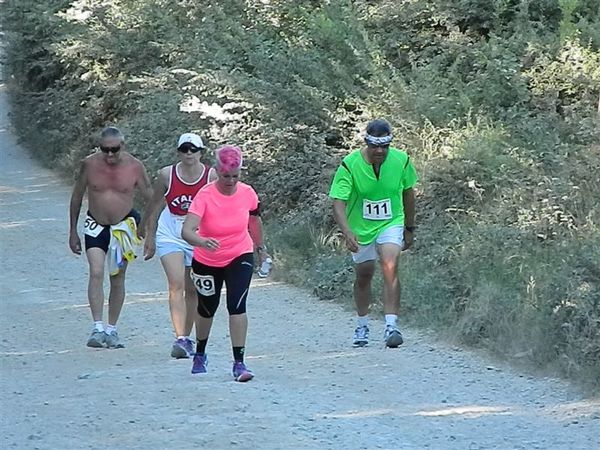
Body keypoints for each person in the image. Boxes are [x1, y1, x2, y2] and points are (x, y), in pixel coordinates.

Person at [181, 145, 270, 382]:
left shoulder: (248, 193)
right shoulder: (206, 195)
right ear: (217, 172)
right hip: (207, 258)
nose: (230, 181)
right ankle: (200, 352)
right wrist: (202, 240)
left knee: (237, 305)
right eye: (225, 176)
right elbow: (186, 231)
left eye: (235, 176)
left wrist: (261, 249)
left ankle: (239, 363)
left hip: (239, 253)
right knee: (207, 308)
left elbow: (254, 222)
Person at [329, 119, 418, 348]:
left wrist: (409, 227)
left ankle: (391, 326)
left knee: (390, 264)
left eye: (385, 146)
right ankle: (362, 323)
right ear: (366, 143)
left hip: (391, 221)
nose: (380, 151)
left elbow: (409, 194)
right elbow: (338, 201)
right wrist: (347, 231)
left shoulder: (402, 160)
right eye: (374, 146)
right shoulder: (349, 164)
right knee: (364, 274)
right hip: (361, 227)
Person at [69, 126, 152, 349]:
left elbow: (151, 198)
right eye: (104, 150)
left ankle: (112, 329)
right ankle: (97, 327)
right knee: (96, 272)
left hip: (123, 226)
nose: (109, 155)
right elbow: (77, 196)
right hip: (95, 224)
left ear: (122, 146)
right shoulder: (89, 164)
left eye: (114, 150)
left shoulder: (135, 166)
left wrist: (148, 229)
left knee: (117, 276)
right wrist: (72, 231)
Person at [142, 133, 216, 358]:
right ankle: (180, 338)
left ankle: (187, 336)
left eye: (193, 149)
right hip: (171, 229)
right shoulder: (167, 174)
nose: (189, 153)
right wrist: (148, 233)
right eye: (184, 149)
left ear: (202, 152)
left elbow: (219, 206)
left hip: (197, 232)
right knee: (175, 284)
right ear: (178, 152)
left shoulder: (210, 176)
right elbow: (154, 203)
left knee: (193, 288)